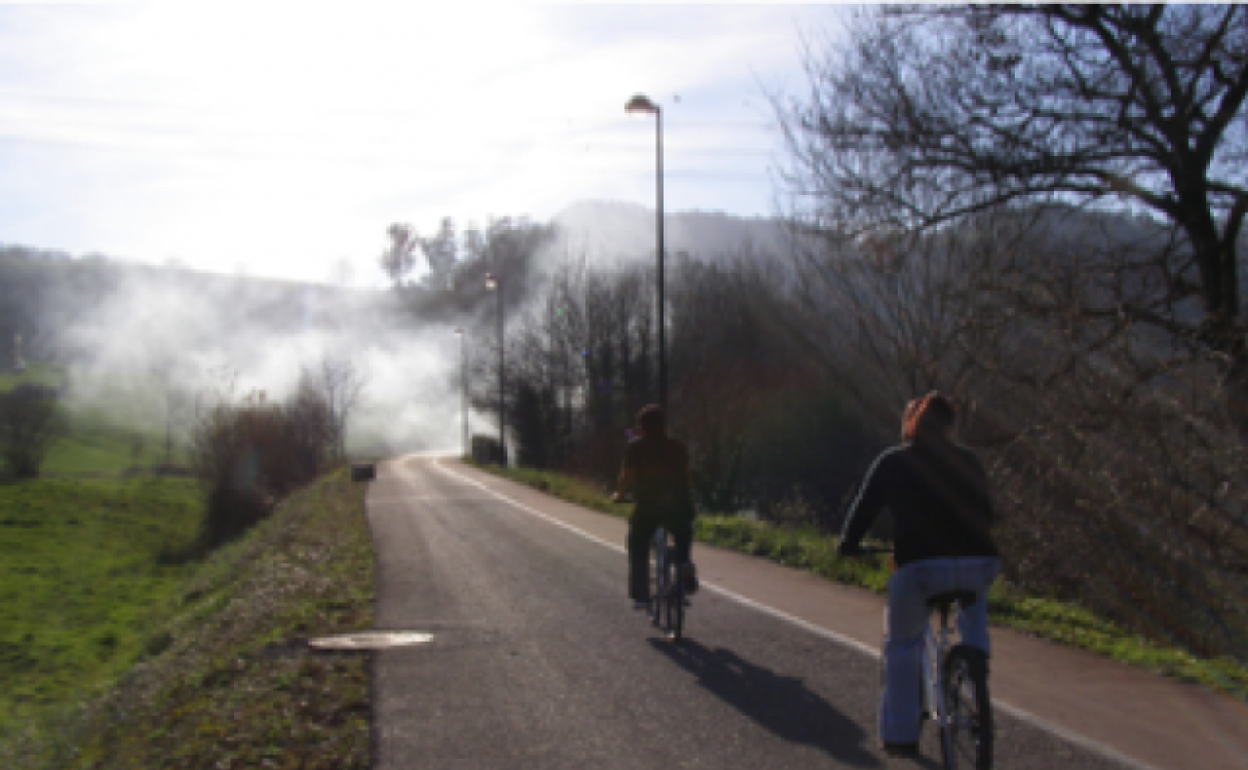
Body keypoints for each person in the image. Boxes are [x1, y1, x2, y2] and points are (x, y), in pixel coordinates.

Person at [838, 392, 1000, 757]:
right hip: (980, 562)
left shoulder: (894, 461)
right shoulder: (969, 460)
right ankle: (976, 668)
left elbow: (865, 508)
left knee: (903, 645)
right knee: (973, 607)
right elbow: (988, 513)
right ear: (948, 426)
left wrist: (849, 543)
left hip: (922, 567)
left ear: (911, 424)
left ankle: (899, 734)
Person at [612, 404, 699, 610]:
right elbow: (687, 476)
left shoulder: (635, 448)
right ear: (663, 426)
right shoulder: (677, 446)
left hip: (648, 505)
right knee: (682, 535)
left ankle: (641, 595)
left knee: (638, 543)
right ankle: (684, 567)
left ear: (641, 427)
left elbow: (626, 477)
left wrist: (620, 494)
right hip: (678, 503)